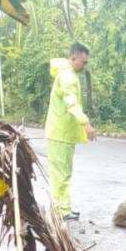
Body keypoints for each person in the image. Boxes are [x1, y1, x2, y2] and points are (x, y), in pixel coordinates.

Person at [45, 42, 96, 222]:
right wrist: (86, 123)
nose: (85, 65)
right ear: (73, 57)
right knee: (61, 173)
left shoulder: (68, 73)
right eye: (83, 62)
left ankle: (63, 208)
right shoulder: (67, 76)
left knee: (64, 172)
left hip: (63, 133)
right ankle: (60, 211)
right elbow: (71, 103)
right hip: (60, 133)